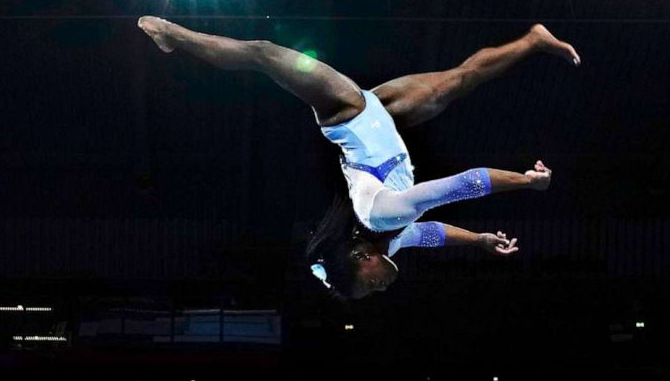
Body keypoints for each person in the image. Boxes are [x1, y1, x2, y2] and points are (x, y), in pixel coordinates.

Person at [137, 18, 579, 299]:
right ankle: (533, 39)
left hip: (344, 110)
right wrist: (478, 240)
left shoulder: (382, 216)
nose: (379, 287)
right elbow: (432, 235)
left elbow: (462, 184)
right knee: (462, 78)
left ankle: (175, 35)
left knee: (264, 53)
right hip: (383, 114)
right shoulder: (393, 240)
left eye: (368, 284)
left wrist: (527, 182)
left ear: (358, 256)